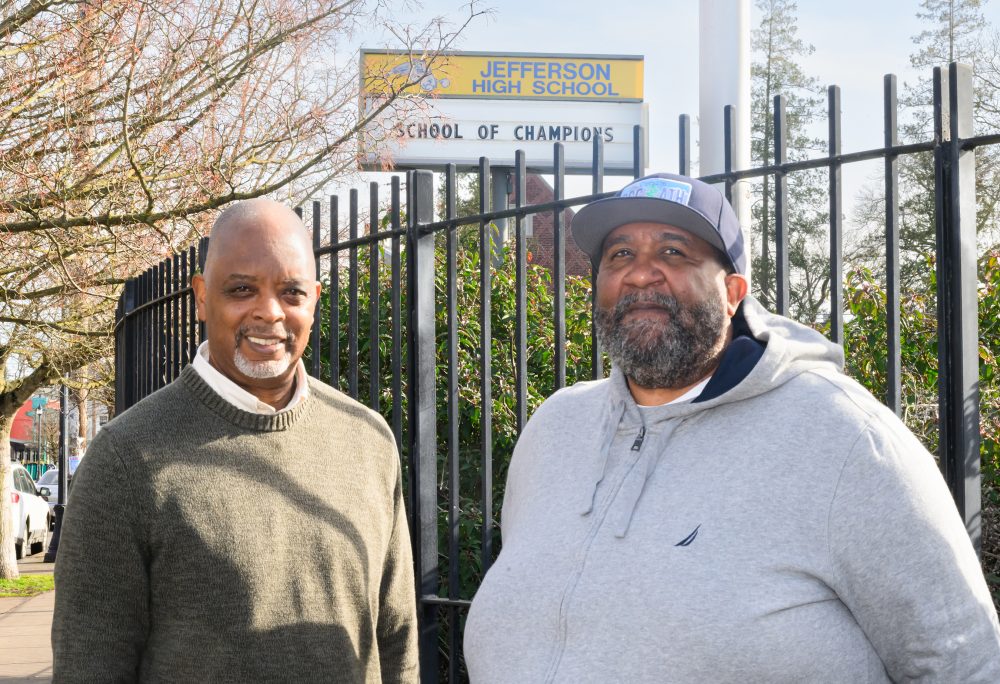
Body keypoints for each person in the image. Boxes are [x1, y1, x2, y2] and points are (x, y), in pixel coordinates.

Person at [463, 173, 1000, 682]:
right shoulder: (556, 426)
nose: (641, 273)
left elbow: (963, 662)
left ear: (733, 292)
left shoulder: (845, 439)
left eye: (673, 252)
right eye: (620, 254)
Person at [52, 199, 417, 683]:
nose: (269, 312)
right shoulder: (125, 458)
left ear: (314, 300)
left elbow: (397, 644)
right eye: (242, 289)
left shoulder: (368, 441)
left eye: (291, 292)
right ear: (202, 297)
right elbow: (89, 666)